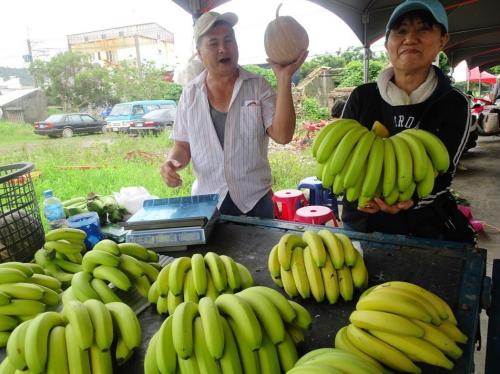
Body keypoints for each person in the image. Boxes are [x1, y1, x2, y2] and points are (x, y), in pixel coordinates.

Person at [340, 0, 475, 243]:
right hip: (360, 219)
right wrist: (359, 194)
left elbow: (444, 172)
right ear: (387, 43)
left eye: (423, 29)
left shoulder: (454, 103)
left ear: (443, 40)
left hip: (422, 225)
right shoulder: (363, 96)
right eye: (400, 31)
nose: (410, 38)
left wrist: (410, 201)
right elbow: (341, 161)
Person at [160, 11, 307, 218]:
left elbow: (283, 136)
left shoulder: (258, 86)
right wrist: (172, 163)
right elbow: (182, 145)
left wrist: (284, 78)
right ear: (200, 53)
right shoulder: (190, 94)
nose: (223, 48)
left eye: (229, 40)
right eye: (213, 43)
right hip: (209, 202)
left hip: (255, 200)